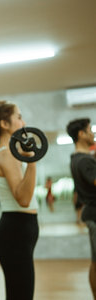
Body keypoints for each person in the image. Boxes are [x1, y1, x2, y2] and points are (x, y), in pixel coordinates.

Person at [0, 100, 39, 300]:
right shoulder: (8, 154)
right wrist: (32, 162)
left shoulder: (10, 153)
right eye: (18, 117)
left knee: (19, 293)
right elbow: (24, 199)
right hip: (15, 231)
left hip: (18, 229)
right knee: (21, 295)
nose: (23, 122)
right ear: (5, 124)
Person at [66, 118, 96, 298]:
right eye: (90, 130)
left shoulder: (80, 159)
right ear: (81, 134)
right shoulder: (84, 161)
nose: (93, 133)